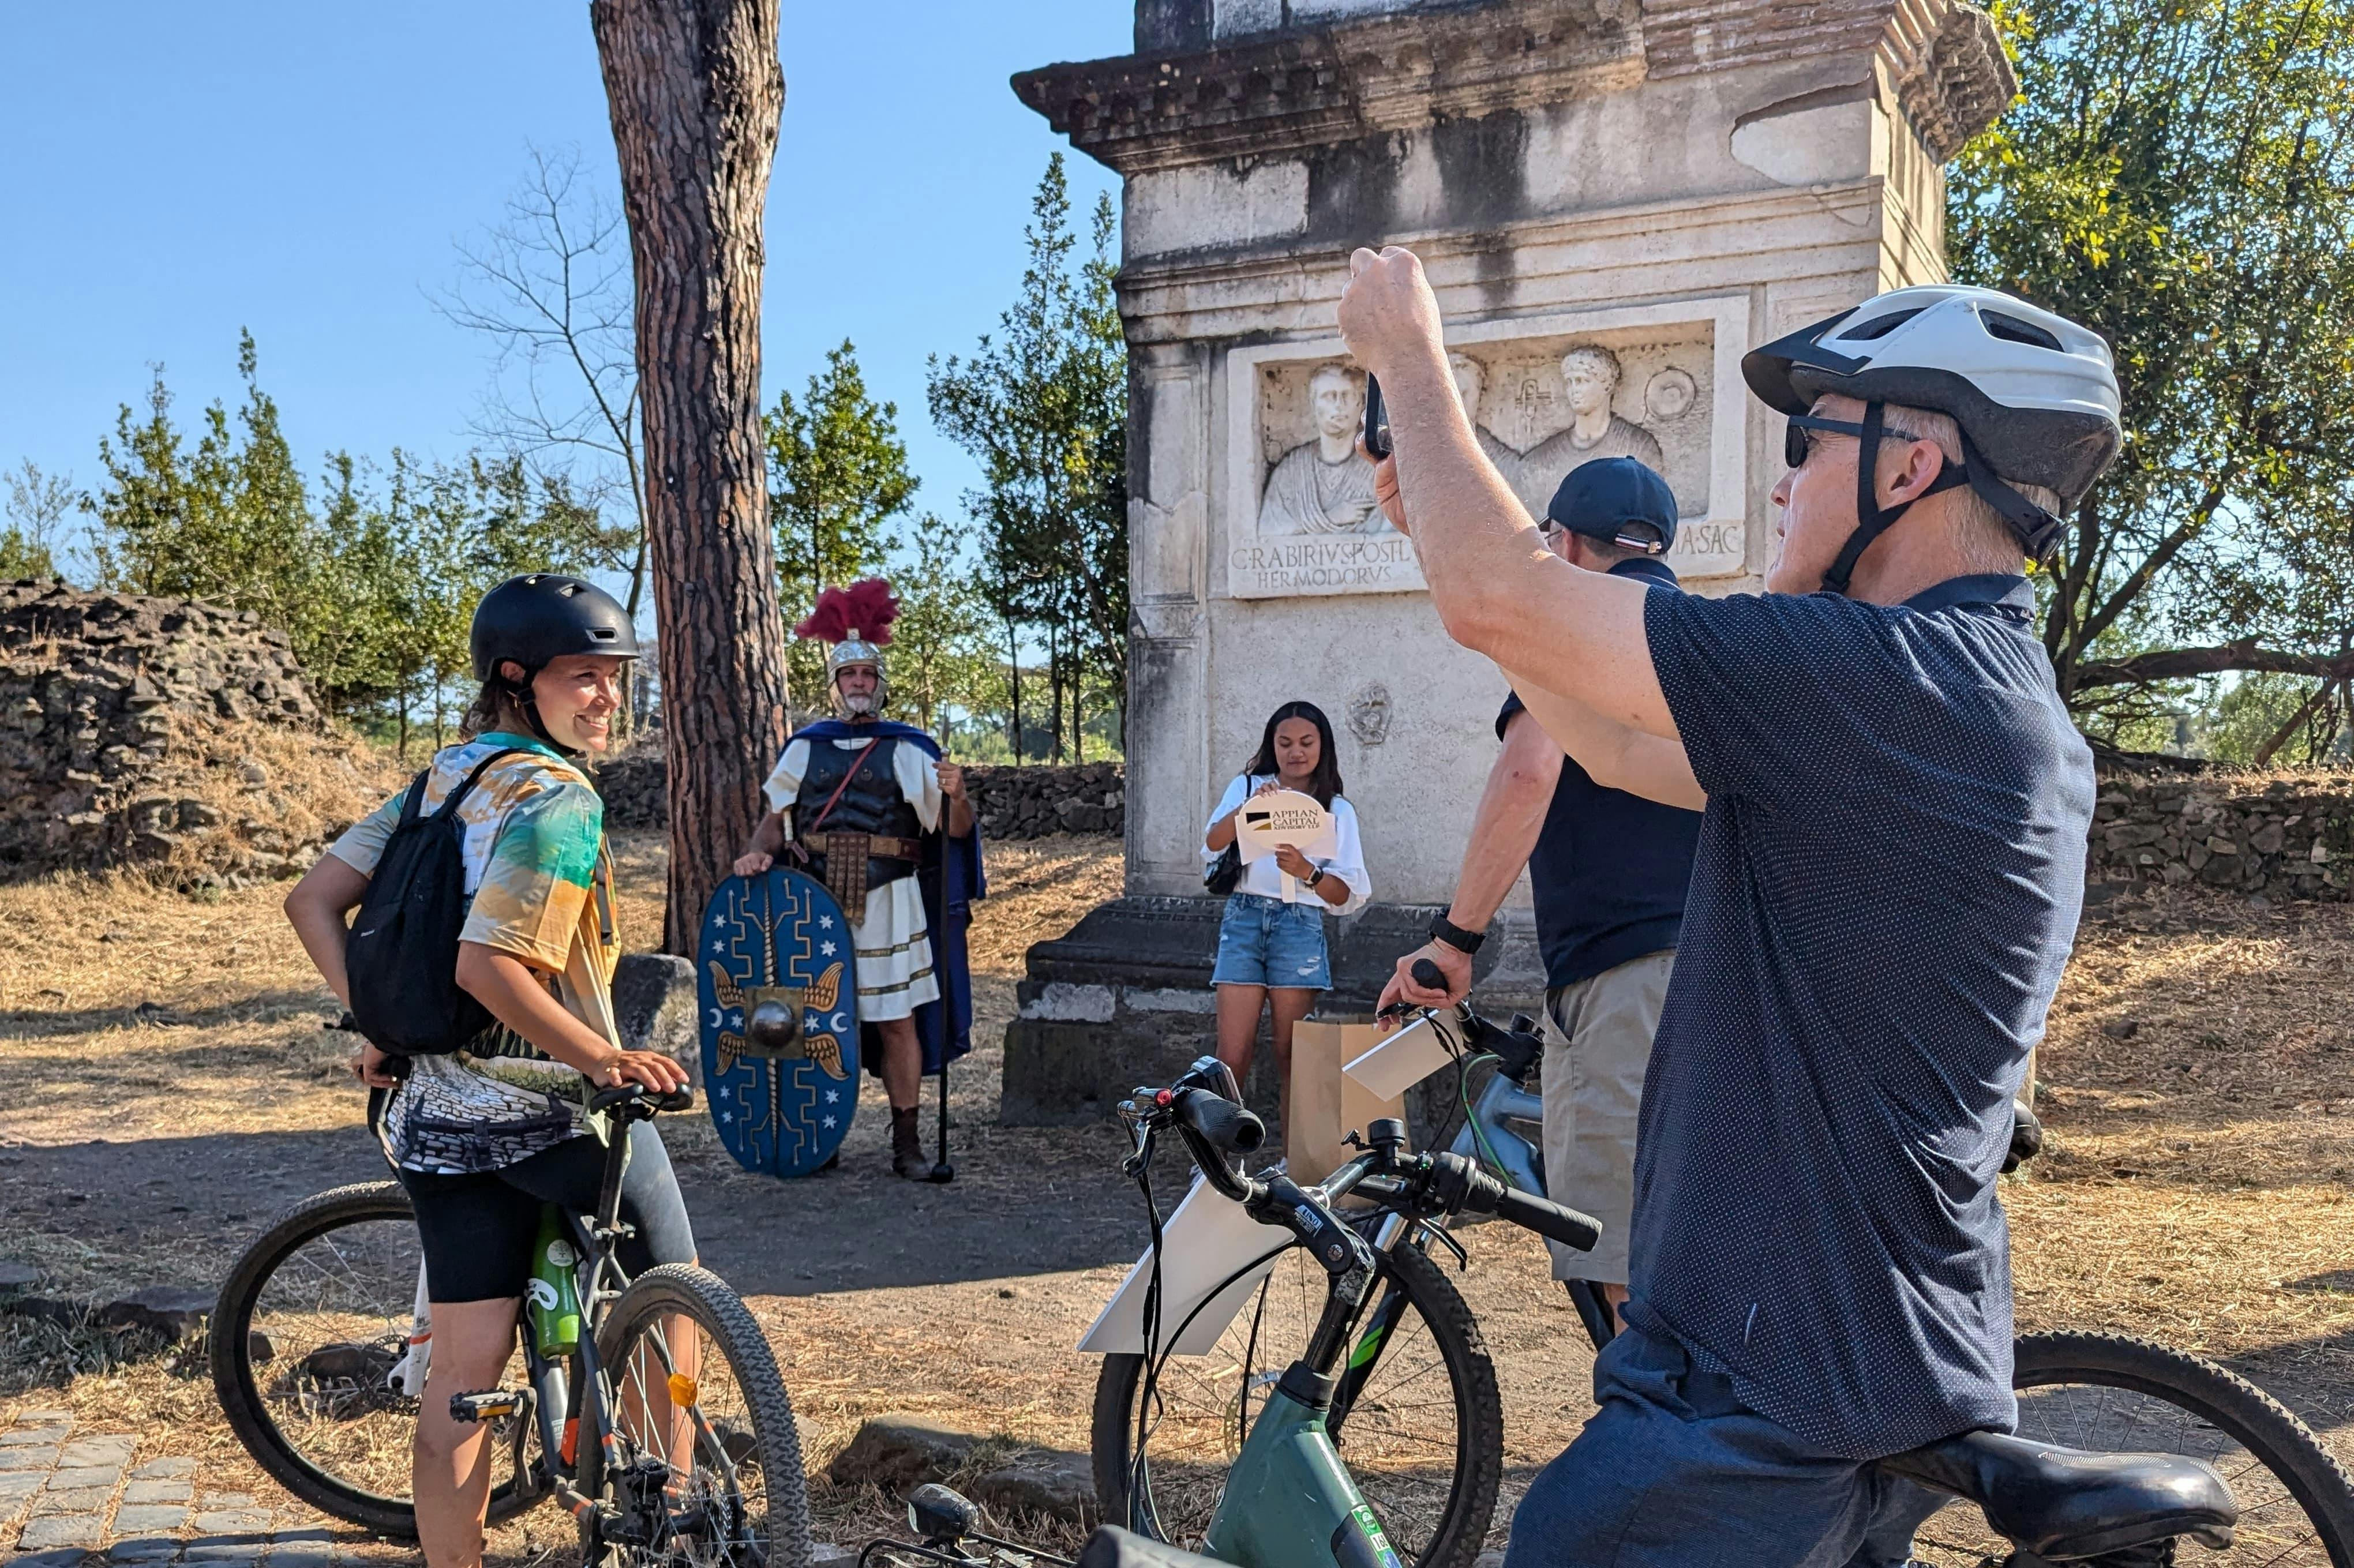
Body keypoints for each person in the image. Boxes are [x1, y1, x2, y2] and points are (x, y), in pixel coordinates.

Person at [1343, 254, 2117, 1567]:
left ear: (1909, 463)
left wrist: (1407, 356)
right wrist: (1431, 517)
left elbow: (1506, 599)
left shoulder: (1880, 678)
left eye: (1807, 444)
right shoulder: (1970, 699)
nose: (1775, 478)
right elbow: (1600, 741)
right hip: (1859, 1364)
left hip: (1758, 1390)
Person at [282, 574, 694, 1568]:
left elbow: (313, 901)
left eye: (615, 677)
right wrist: (603, 1057)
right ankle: (666, 1534)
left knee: (460, 1376)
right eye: (583, 677)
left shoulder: (443, 777)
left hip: (432, 1118)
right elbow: (487, 966)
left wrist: (382, 1021)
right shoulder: (557, 800)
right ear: (519, 678)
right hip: (552, 1117)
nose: (607, 696)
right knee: (675, 1308)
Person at [1378, 456, 1702, 1331]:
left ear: (1561, 543)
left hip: (1628, 976)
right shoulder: (1703, 632)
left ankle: (1666, 1466)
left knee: (1631, 1274)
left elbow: (1531, 771)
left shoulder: (1581, 636)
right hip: (1725, 970)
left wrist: (1454, 940)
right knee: (1700, 1251)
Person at [733, 579, 984, 1180]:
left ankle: (907, 1146)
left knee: (895, 1020)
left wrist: (959, 794)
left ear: (881, 682)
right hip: (814, 901)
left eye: (868, 676)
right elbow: (775, 823)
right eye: (850, 678)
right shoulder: (805, 748)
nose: (859, 685)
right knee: (812, 1021)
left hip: (891, 899)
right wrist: (752, 856)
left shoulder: (911, 748)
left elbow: (952, 831)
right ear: (835, 686)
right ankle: (818, 1139)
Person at [1202, 700, 1372, 1142]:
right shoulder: (1248, 786)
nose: (1296, 752)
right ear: (1272, 746)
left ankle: (1296, 1159)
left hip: (1300, 924)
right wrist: (1248, 812)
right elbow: (1211, 842)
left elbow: (1346, 893)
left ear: (1323, 746)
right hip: (1244, 919)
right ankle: (1216, 1161)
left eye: (1306, 742)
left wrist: (1308, 871)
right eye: (1285, 743)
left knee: (1292, 1053)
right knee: (1231, 1054)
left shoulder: (1337, 808)